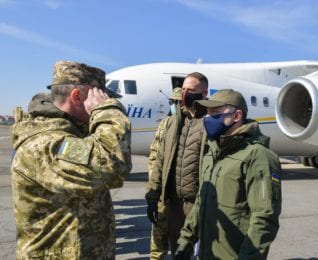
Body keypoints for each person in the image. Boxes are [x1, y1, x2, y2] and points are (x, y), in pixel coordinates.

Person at [11, 60, 132, 259]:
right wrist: (106, 110)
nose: (102, 101)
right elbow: (112, 166)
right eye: (99, 95)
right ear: (77, 96)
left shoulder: (68, 136)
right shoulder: (46, 144)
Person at [176, 89, 282, 259]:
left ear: (237, 115)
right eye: (208, 113)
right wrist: (185, 242)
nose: (208, 118)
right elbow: (200, 203)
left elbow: (264, 217)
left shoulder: (258, 156)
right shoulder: (212, 153)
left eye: (215, 112)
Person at [145, 72, 208, 259]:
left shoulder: (212, 122)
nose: (185, 94)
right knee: (178, 252)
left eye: (190, 90)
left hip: (198, 203)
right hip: (174, 204)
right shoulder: (172, 123)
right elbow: (159, 161)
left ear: (204, 92)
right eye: (184, 90)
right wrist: (153, 195)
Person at [147, 87, 182, 259]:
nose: (173, 105)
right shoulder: (165, 124)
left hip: (182, 192)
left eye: (176, 102)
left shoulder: (196, 124)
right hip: (163, 191)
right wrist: (155, 186)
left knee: (183, 240)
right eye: (172, 102)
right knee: (158, 237)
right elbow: (155, 156)